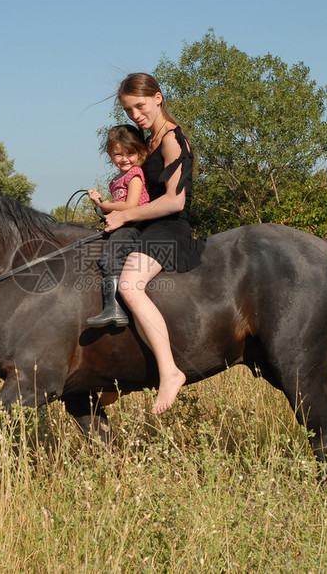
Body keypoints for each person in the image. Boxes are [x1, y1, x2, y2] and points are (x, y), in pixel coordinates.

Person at [103, 73, 205, 414]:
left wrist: (126, 217)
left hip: (169, 228)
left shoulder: (173, 138)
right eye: (129, 110)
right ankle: (118, 375)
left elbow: (175, 201)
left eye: (140, 106)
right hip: (147, 226)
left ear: (158, 98)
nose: (135, 115)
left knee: (130, 286)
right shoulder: (148, 140)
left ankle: (170, 372)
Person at [86, 124, 151, 328]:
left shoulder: (135, 174)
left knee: (111, 255)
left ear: (139, 152)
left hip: (135, 223)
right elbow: (115, 209)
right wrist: (99, 203)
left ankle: (114, 308)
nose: (124, 158)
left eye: (130, 153)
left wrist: (104, 205)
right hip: (122, 222)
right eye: (118, 154)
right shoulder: (116, 179)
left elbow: (130, 206)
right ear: (110, 154)